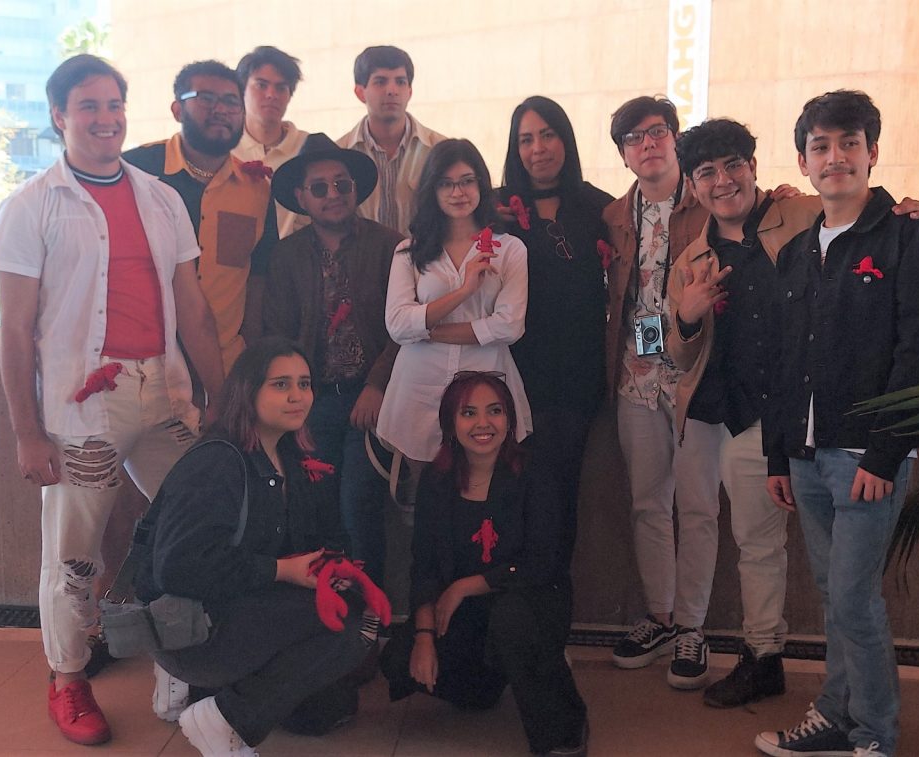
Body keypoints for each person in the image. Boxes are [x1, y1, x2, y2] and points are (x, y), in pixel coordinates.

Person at [0, 54, 223, 746]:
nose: (105, 118)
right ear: (59, 116)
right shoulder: (31, 206)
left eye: (114, 104)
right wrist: (27, 431)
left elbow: (192, 308)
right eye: (88, 106)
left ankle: (180, 661)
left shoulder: (161, 198)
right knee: (74, 553)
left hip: (166, 394)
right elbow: (15, 331)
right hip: (83, 406)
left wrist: (222, 397)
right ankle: (67, 677)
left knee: (198, 524)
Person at [668, 118, 919, 710]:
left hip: (829, 417)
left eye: (733, 165)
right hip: (749, 421)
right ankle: (763, 656)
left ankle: (857, 708)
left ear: (756, 167)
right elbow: (673, 354)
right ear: (692, 184)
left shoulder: (801, 213)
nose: (723, 181)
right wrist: (687, 315)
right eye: (707, 172)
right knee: (757, 545)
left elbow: (869, 218)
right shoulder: (691, 258)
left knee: (846, 580)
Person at [758, 90, 919, 757]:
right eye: (820, 146)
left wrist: (884, 453)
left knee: (853, 598)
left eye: (849, 143)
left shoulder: (910, 237)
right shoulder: (796, 253)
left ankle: (873, 734)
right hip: (807, 458)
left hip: (866, 457)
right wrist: (779, 456)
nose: (835, 157)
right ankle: (837, 715)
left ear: (872, 152)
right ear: (803, 161)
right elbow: (784, 361)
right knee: (833, 595)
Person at [135, 338, 375, 757]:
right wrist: (283, 571)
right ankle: (223, 720)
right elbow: (177, 568)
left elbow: (323, 536)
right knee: (344, 621)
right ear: (248, 392)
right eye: (281, 385)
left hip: (243, 606)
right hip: (191, 625)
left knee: (324, 711)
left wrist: (331, 568)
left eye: (304, 383)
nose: (297, 395)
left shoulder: (291, 454)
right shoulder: (218, 461)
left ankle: (211, 693)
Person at [380, 372, 588, 757]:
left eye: (494, 411)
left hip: (531, 598)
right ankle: (485, 686)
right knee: (398, 659)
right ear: (450, 422)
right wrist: (424, 636)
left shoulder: (535, 472)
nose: (483, 423)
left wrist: (464, 586)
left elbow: (542, 563)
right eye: (468, 413)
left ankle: (562, 725)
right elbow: (424, 565)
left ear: (509, 419)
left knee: (512, 622)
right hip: (469, 612)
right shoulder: (437, 481)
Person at [602, 96, 723, 689]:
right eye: (633, 138)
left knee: (698, 505)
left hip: (696, 373)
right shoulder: (613, 216)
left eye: (656, 132)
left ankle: (693, 627)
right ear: (624, 155)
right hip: (636, 374)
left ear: (675, 138)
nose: (647, 144)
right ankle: (661, 616)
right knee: (648, 501)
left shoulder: (710, 200)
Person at [263, 133, 405, 585]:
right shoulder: (285, 256)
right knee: (315, 504)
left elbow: (407, 328)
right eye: (319, 187)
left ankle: (371, 608)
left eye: (342, 184)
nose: (333, 195)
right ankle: (323, 609)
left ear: (355, 189)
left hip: (373, 396)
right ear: (301, 197)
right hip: (312, 399)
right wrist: (294, 401)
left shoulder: (391, 247)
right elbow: (276, 335)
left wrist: (377, 385)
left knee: (359, 501)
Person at [497, 95, 613, 561]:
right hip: (510, 377)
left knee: (560, 495)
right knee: (510, 494)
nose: (538, 148)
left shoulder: (601, 208)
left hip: (577, 381)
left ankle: (550, 593)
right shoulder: (494, 210)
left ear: (565, 140)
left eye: (547, 135)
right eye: (526, 139)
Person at [377, 138, 532, 465]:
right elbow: (398, 325)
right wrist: (463, 291)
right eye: (445, 184)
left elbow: (509, 327)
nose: (457, 192)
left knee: (485, 484)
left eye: (466, 181)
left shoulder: (509, 249)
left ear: (481, 184)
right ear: (432, 191)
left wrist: (427, 330)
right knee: (421, 487)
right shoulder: (408, 251)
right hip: (419, 388)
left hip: (487, 385)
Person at [124, 60, 276, 371]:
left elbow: (258, 279)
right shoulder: (135, 171)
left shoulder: (257, 189)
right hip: (146, 367)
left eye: (231, 102)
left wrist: (253, 362)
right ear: (177, 110)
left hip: (227, 363)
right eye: (206, 98)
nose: (220, 110)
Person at [337, 45, 445, 237]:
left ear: (409, 91)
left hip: (426, 255)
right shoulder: (339, 154)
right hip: (361, 256)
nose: (392, 90)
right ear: (360, 92)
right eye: (380, 82)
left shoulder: (439, 150)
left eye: (400, 82)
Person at [233, 45, 311, 238]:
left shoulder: (308, 148)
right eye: (261, 85)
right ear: (241, 91)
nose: (271, 95)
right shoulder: (223, 150)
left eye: (281, 88)